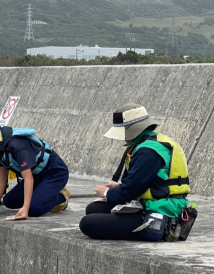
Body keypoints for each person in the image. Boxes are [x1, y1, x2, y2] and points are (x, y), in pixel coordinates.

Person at [79, 103, 191, 241]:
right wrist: (119, 187)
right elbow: (147, 183)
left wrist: (106, 193)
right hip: (157, 203)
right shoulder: (156, 142)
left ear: (131, 129)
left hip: (159, 210)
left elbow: (128, 193)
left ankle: (158, 228)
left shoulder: (147, 152)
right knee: (93, 209)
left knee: (87, 223)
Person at [0, 119, 70, 220]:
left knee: (34, 209)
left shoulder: (17, 146)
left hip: (54, 173)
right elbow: (1, 181)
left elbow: (28, 179)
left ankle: (61, 197)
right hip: (36, 175)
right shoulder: (0, 150)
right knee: (9, 201)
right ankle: (42, 193)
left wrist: (25, 208)